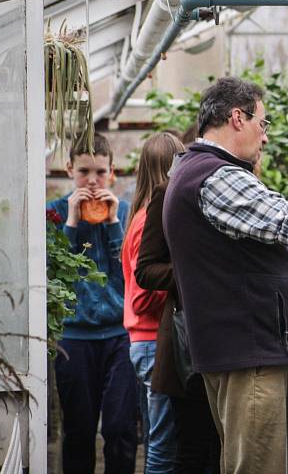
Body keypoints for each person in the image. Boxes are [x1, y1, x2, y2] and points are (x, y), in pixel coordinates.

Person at [163, 76, 288, 473]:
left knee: (244, 461)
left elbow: (251, 255)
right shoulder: (217, 175)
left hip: (237, 349)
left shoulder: (199, 170)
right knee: (256, 466)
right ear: (237, 118)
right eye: (264, 124)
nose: (266, 137)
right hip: (247, 352)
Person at [47, 133, 137, 474]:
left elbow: (131, 278)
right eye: (84, 172)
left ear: (112, 172)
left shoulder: (125, 213)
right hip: (74, 339)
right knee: (78, 432)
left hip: (119, 337)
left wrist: (114, 225)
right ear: (70, 169)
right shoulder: (54, 214)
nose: (92, 181)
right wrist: (71, 223)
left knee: (120, 429)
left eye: (100, 172)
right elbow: (53, 278)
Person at [135, 165, 221, 474]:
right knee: (192, 448)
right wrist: (195, 271)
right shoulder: (168, 192)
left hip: (233, 341)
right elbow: (145, 269)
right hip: (187, 345)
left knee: (224, 450)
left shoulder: (245, 188)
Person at [122, 132, 185, 473]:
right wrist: (183, 281)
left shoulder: (139, 217)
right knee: (163, 447)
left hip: (142, 343)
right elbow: (143, 296)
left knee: (157, 439)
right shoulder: (150, 220)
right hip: (151, 342)